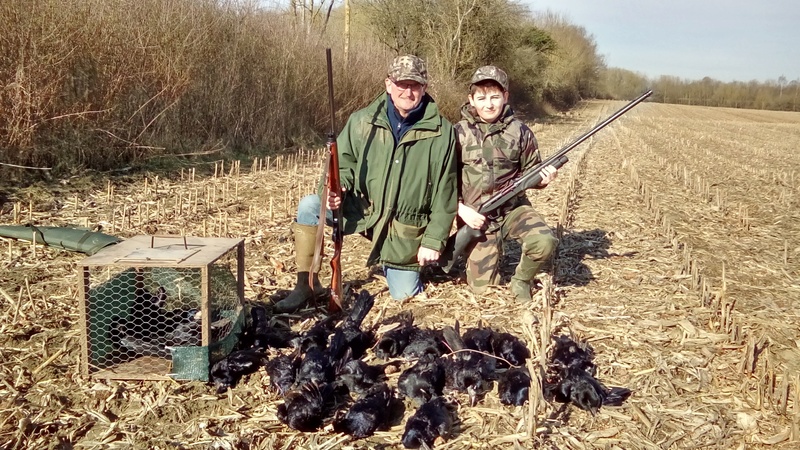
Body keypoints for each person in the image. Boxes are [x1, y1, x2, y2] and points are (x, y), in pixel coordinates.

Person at [274, 55, 458, 313]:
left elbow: (445, 192)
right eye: (401, 84)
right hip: (361, 210)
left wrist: (433, 240)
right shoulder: (362, 121)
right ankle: (306, 284)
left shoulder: (443, 132)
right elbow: (341, 165)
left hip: (402, 227)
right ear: (388, 84)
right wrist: (335, 191)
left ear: (424, 87)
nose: (407, 91)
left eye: (414, 85)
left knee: (404, 295)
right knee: (309, 205)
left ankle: (391, 261)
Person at [455, 65, 559, 301]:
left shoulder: (521, 132)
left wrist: (545, 179)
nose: (488, 104)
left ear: (505, 97)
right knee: (482, 290)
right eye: (481, 98)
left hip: (514, 209)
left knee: (544, 241)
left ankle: (521, 279)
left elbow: (533, 171)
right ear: (471, 99)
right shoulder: (457, 133)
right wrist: (461, 209)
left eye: (495, 97)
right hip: (477, 217)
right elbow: (444, 181)